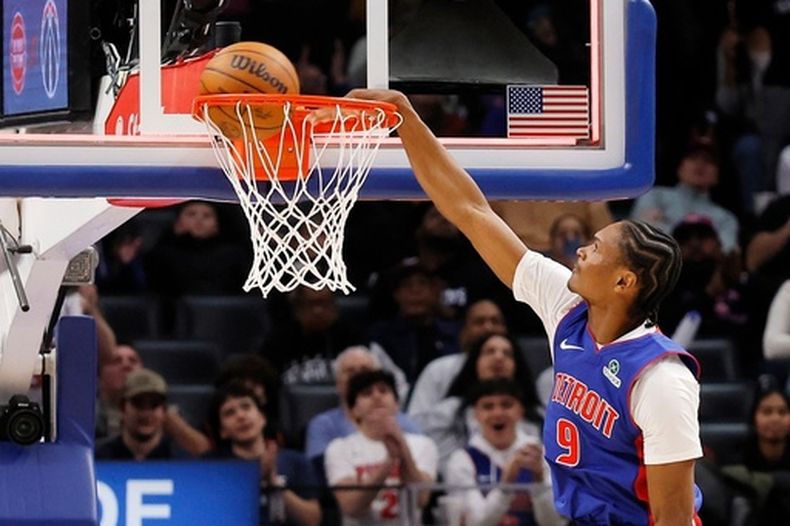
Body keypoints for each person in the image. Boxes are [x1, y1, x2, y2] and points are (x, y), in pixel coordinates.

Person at [344, 88, 704, 524]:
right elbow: (472, 211)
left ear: (624, 281)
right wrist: (407, 121)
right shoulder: (567, 305)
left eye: (595, 247)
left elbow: (674, 519)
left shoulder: (661, 379)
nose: (580, 252)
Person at [444, 379, 566, 526]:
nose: (498, 413)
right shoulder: (462, 460)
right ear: (476, 414)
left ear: (520, 411)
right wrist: (506, 484)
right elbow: (476, 523)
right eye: (488, 406)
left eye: (506, 405)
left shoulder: (542, 455)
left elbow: (554, 523)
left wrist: (539, 482)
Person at [324, 370, 438, 525]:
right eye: (366, 393)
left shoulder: (423, 444)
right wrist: (388, 463)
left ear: (397, 404)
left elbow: (420, 499)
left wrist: (402, 448)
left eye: (383, 391)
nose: (377, 397)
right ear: (353, 411)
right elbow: (351, 506)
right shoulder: (339, 448)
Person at [414, 332, 543, 470]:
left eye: (507, 353)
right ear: (475, 363)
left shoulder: (540, 415)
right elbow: (435, 462)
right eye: (490, 351)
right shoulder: (447, 412)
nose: (499, 357)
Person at [206, 381, 322, 526]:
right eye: (230, 413)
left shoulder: (296, 461)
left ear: (262, 417)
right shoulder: (213, 467)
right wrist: (254, 480)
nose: (241, 416)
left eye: (246, 407)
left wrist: (273, 484)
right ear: (222, 432)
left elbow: (312, 520)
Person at [304, 346, 420, 461]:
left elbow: (422, 464)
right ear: (338, 384)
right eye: (350, 371)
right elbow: (318, 472)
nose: (358, 376)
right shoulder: (323, 425)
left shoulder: (406, 424)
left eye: (365, 370)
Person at [630, 141, 740, 253]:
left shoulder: (726, 218)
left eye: (709, 161)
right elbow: (641, 235)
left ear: (718, 175)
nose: (700, 164)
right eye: (693, 158)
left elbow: (726, 251)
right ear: (680, 168)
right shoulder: (654, 195)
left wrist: (666, 226)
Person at [407, 298, 508, 417]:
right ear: (464, 331)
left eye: (495, 321)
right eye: (479, 322)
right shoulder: (438, 370)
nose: (488, 328)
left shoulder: (515, 367)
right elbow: (417, 420)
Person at [720, 375, 790, 525]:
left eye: (782, 412)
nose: (775, 419)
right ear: (754, 418)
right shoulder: (737, 454)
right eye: (767, 412)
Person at [95, 368, 174, 460]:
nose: (146, 413)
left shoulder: (182, 460)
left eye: (154, 404)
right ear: (123, 408)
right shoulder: (96, 458)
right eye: (138, 403)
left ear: (164, 411)